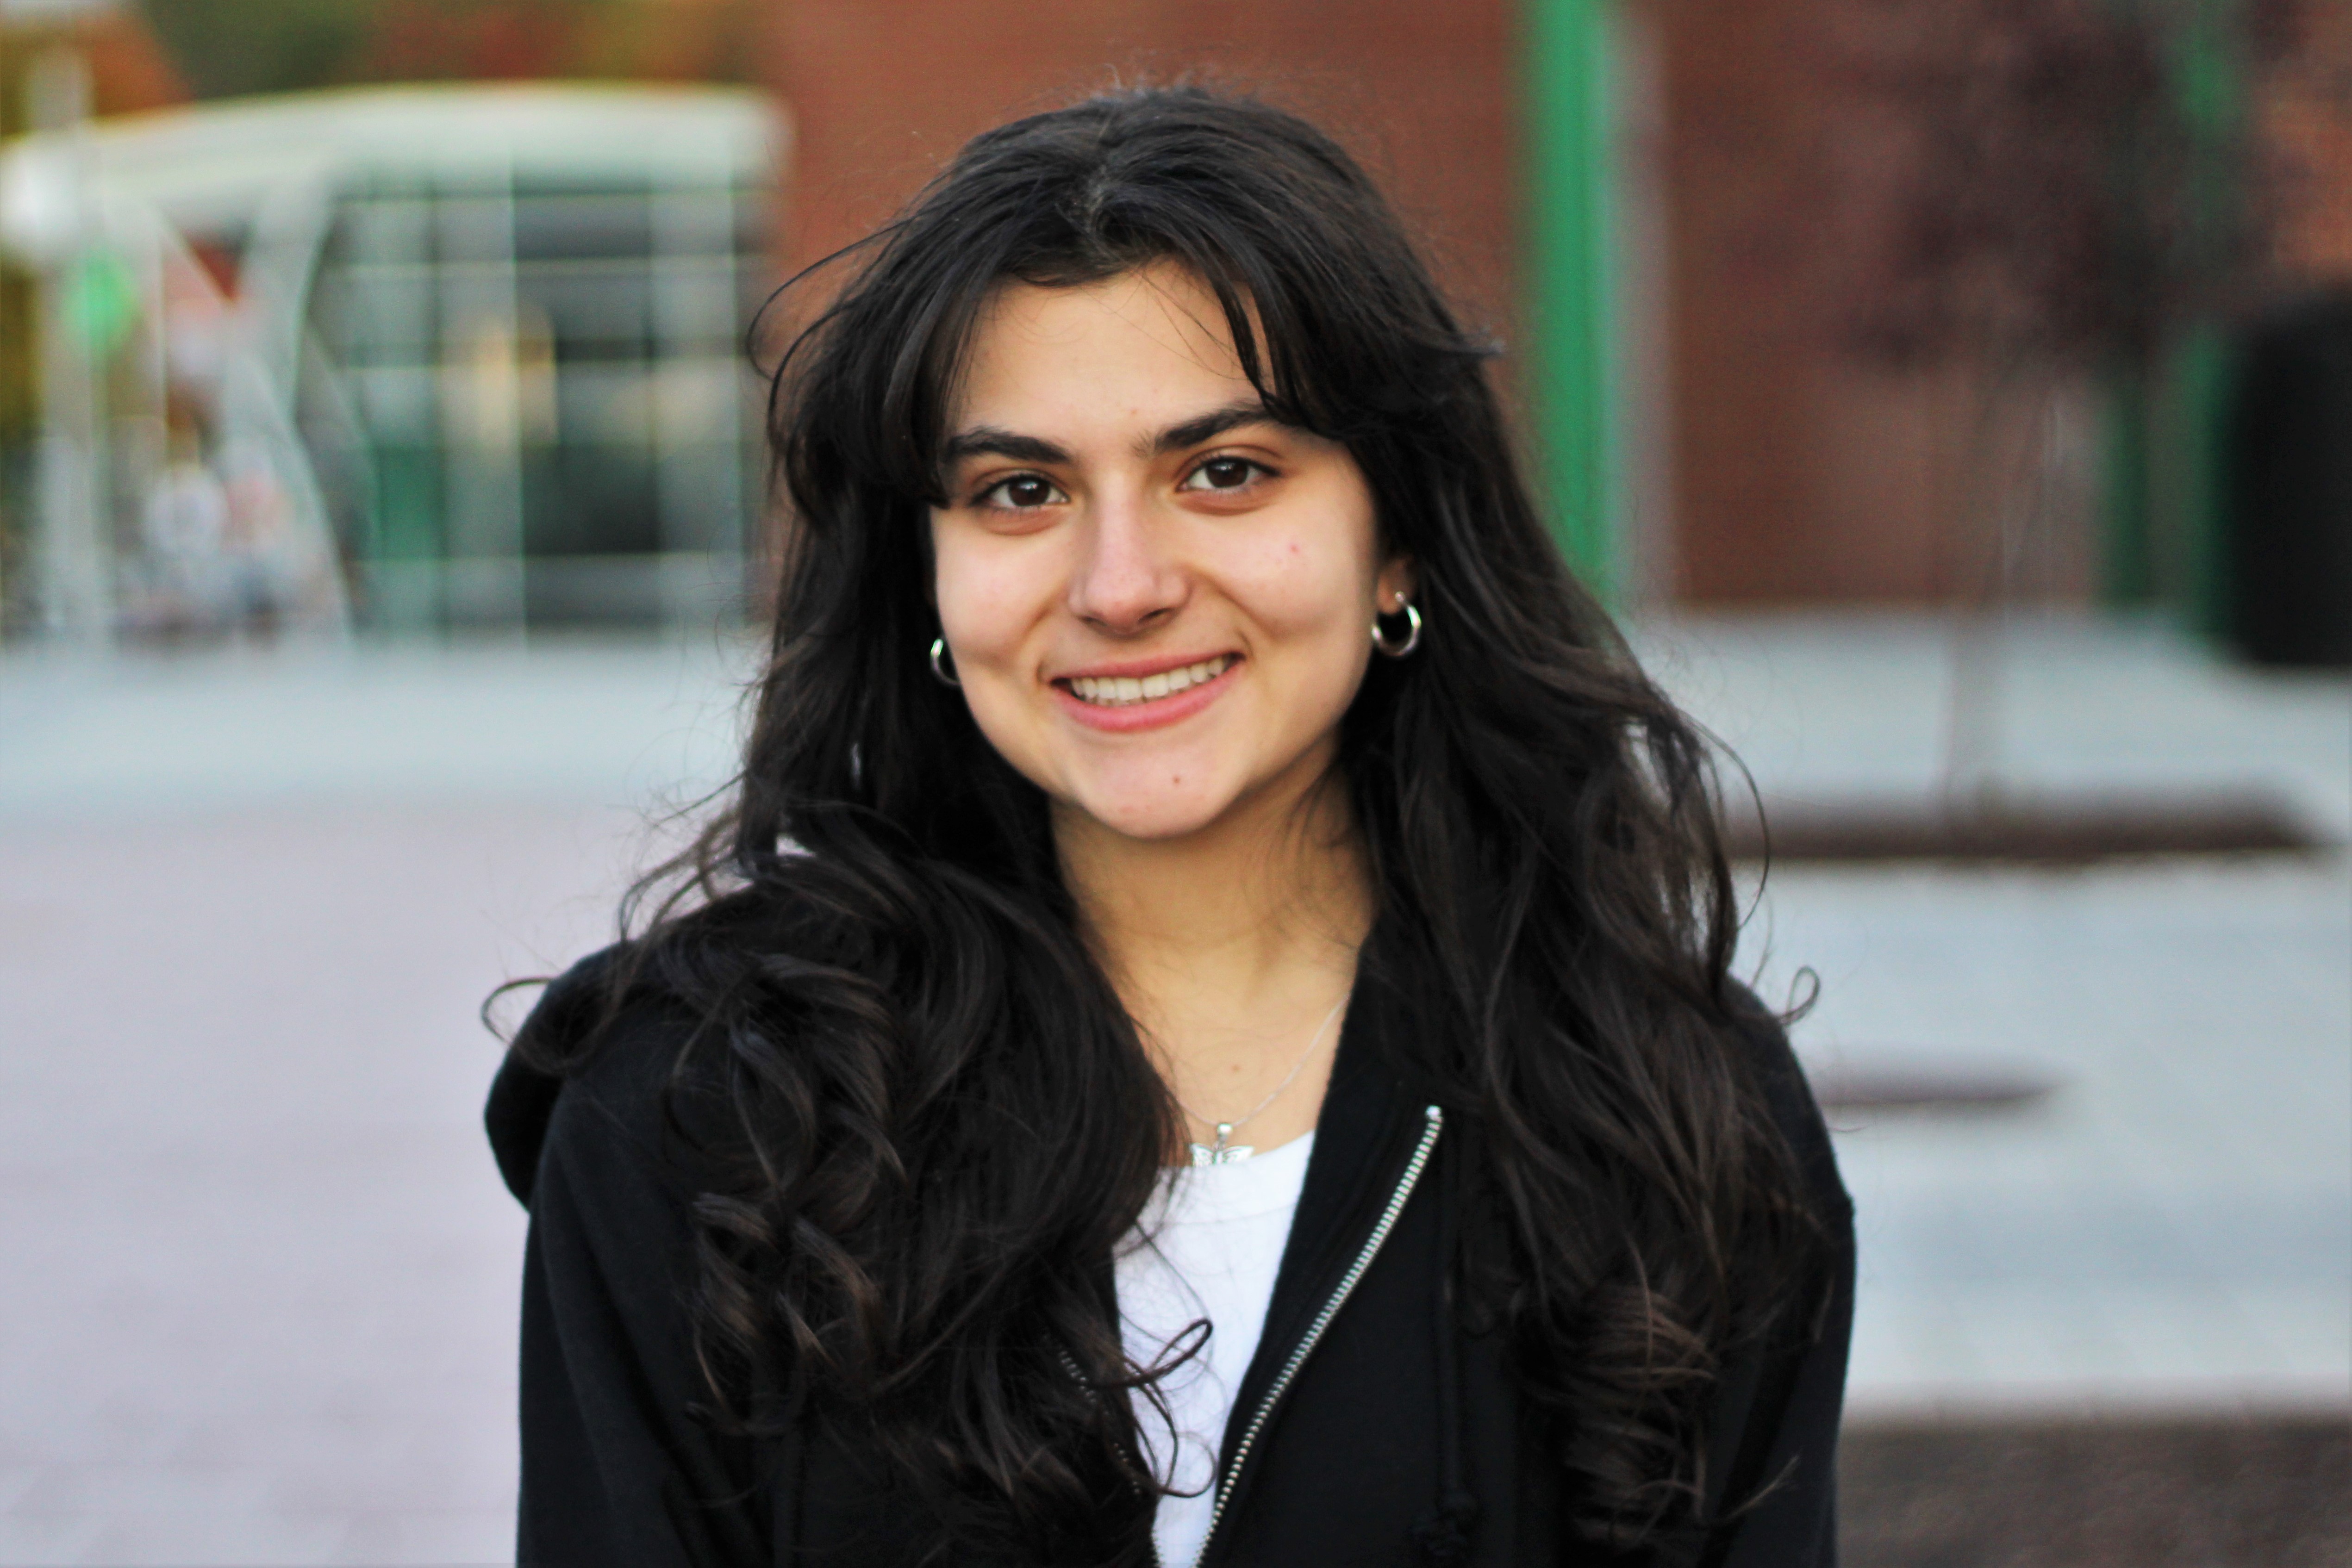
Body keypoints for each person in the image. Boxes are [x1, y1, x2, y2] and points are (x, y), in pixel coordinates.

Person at [486, 84, 1853, 1568]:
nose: (1121, 585)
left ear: (1395, 539)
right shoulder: (699, 1115)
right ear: (924, 574)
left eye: (1224, 472)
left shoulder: (1666, 1120)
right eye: (1020, 490)